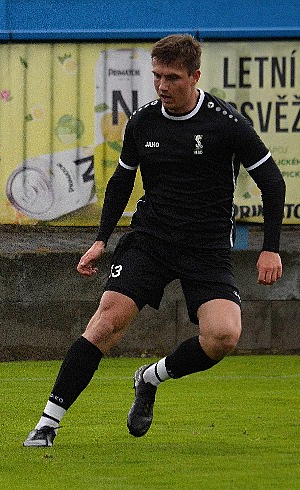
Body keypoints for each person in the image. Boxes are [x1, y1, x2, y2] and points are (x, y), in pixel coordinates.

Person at [23, 34, 285, 447]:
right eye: (157, 76)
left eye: (173, 78)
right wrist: (100, 239)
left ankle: (150, 378)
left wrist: (270, 247)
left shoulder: (226, 123)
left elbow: (271, 181)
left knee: (223, 337)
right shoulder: (143, 121)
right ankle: (46, 425)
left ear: (195, 76)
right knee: (106, 323)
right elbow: (122, 180)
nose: (162, 86)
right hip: (152, 239)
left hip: (207, 247)